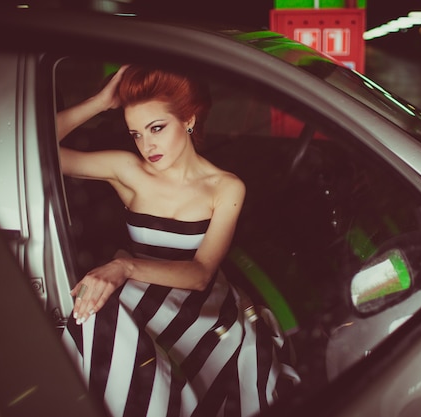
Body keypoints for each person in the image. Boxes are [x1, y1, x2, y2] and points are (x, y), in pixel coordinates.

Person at [58, 64, 299, 417]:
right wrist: (97, 102)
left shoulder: (226, 187)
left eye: (156, 128)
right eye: (136, 133)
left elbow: (201, 273)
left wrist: (123, 266)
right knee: (95, 314)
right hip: (138, 296)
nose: (147, 144)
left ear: (188, 118)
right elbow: (24, 142)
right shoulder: (128, 170)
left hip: (202, 309)